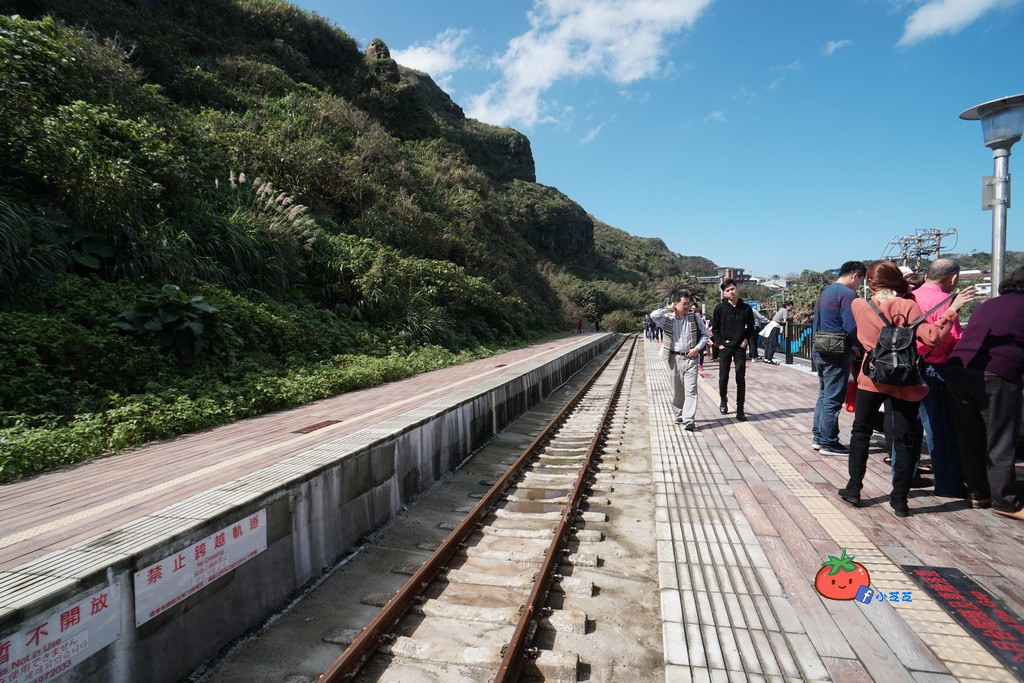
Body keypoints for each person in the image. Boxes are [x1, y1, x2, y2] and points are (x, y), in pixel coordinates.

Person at [837, 260, 976, 518]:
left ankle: (854, 488)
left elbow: (858, 335)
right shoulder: (908, 306)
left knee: (861, 433)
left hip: (872, 376)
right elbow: (933, 337)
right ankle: (899, 500)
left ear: (870, 282)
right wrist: (952, 310)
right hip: (904, 379)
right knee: (905, 439)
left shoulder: (858, 305)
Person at [945, 265, 1024, 521]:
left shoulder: (990, 304)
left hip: (958, 369)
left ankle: (979, 493)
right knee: (1000, 439)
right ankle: (1006, 502)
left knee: (970, 436)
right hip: (996, 373)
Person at [910, 259, 977, 498]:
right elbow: (954, 340)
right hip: (934, 369)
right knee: (939, 428)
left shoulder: (910, 297)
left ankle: (907, 476)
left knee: (909, 427)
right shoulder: (946, 301)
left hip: (908, 369)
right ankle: (948, 482)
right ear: (953, 279)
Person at [812, 261, 866, 456]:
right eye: (860, 280)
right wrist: (858, 345)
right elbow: (851, 326)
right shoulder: (848, 294)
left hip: (819, 348)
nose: (859, 285)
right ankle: (829, 442)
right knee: (833, 399)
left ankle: (818, 438)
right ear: (855, 275)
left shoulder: (826, 292)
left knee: (824, 395)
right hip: (836, 351)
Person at [650, 291, 709, 431]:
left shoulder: (694, 317)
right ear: (676, 304)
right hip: (673, 357)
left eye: (689, 303)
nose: (688, 306)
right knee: (677, 390)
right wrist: (669, 308)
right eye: (684, 303)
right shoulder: (667, 318)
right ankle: (679, 413)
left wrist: (697, 348)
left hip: (691, 358)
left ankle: (689, 419)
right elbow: (653, 315)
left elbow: (705, 335)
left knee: (691, 390)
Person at [711, 279, 755, 421]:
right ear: (724, 293)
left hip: (739, 348)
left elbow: (751, 327)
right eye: (728, 290)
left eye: (733, 289)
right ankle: (723, 400)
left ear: (737, 289)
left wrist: (745, 340)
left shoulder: (746, 308)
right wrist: (720, 344)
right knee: (723, 378)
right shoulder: (719, 308)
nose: (731, 292)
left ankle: (740, 409)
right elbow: (715, 328)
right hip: (725, 348)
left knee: (740, 378)